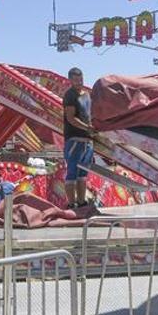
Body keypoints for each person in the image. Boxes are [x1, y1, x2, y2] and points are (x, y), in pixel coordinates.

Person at [62, 67, 95, 209]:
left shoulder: (87, 95)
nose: (79, 82)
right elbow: (70, 118)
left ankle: (81, 202)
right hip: (74, 139)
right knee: (72, 172)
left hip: (87, 141)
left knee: (83, 174)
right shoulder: (70, 95)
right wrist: (86, 127)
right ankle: (71, 203)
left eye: (80, 79)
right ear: (70, 80)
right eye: (76, 80)